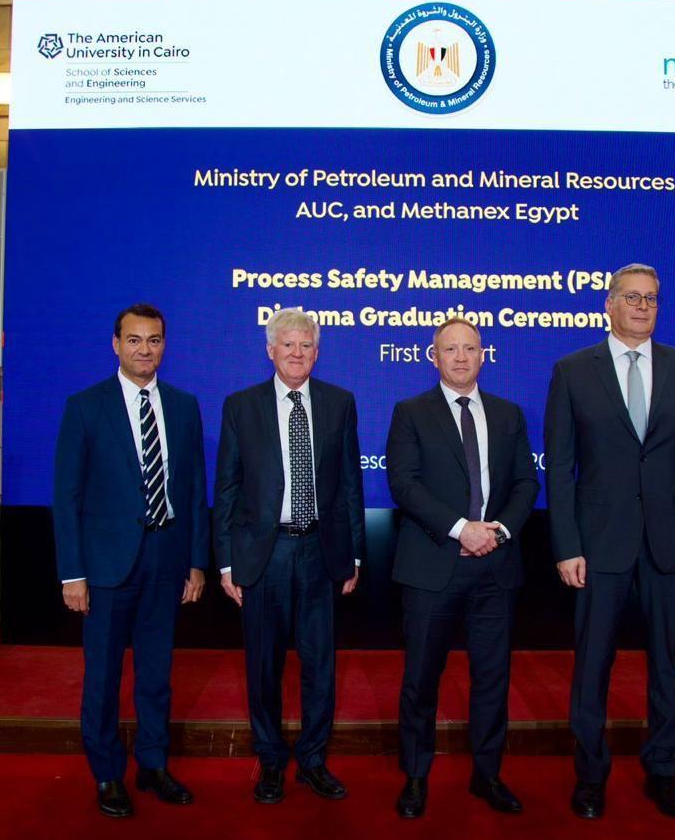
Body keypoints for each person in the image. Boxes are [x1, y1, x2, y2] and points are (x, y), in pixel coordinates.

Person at [544, 263, 675, 820]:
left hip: (672, 542)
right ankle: (590, 775)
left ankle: (664, 771)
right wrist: (566, 545)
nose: (643, 306)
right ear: (609, 304)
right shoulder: (573, 370)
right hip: (599, 545)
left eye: (651, 298)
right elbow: (561, 468)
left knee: (668, 663)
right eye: (632, 297)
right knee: (592, 663)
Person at [52, 304, 209, 819]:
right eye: (135, 340)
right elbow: (67, 496)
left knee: (156, 674)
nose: (146, 349)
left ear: (165, 345)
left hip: (167, 561)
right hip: (105, 568)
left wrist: (196, 562)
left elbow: (193, 490)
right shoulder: (85, 407)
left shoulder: (184, 406)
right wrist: (73, 573)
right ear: (116, 345)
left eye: (154, 340)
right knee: (102, 678)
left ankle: (153, 765)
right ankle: (106, 773)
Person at [386, 318, 539, 819]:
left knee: (493, 679)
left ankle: (487, 775)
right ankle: (415, 776)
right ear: (434, 357)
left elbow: (526, 484)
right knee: (421, 679)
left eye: (469, 348)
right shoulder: (410, 412)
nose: (459, 357)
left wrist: (498, 531)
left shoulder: (509, 414)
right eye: (449, 349)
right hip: (433, 566)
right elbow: (404, 484)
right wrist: (460, 529)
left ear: (482, 354)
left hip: (496, 567)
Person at [213, 308, 365, 805]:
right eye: (288, 344)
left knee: (320, 665)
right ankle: (272, 761)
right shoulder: (241, 406)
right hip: (264, 553)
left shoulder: (340, 403)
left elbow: (350, 485)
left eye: (306, 345)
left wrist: (354, 556)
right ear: (270, 351)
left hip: (322, 551)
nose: (297, 353)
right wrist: (226, 562)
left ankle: (314, 761)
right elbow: (227, 487)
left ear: (316, 353)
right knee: (264, 666)